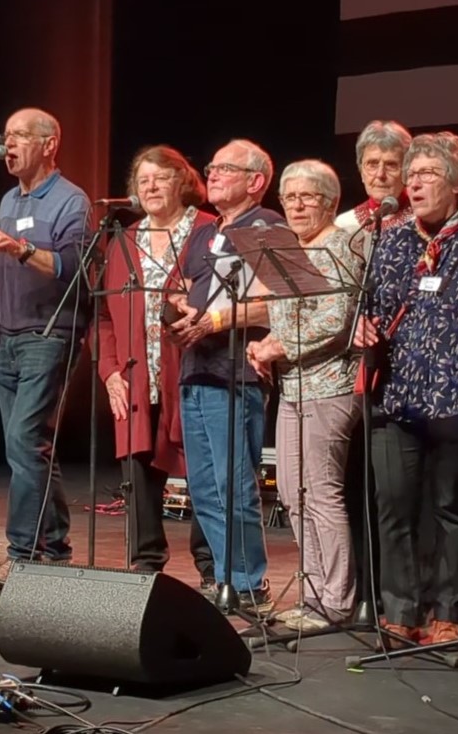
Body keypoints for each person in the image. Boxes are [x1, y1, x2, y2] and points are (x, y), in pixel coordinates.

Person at [358, 131, 458, 645]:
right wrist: (365, 326)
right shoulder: (392, 240)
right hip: (398, 396)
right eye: (411, 175)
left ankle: (449, 608)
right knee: (394, 504)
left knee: (453, 508)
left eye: (428, 174)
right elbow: (376, 309)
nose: (415, 183)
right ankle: (401, 608)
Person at [0, 107, 89, 588]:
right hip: (9, 336)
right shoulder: (7, 201)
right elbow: (4, 265)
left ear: (49, 143)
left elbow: (72, 267)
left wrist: (21, 250)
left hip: (50, 335)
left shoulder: (70, 201)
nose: (7, 145)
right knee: (32, 449)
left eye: (18, 136)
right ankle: (54, 548)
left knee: (23, 441)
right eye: (5, 135)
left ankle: (22, 553)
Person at [246, 159, 364, 630]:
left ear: (330, 202)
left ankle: (335, 600)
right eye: (289, 196)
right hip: (294, 384)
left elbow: (336, 321)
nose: (295, 204)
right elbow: (289, 319)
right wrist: (265, 345)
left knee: (321, 494)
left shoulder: (340, 247)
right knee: (293, 494)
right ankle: (314, 593)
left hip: (330, 385)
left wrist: (277, 346)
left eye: (307, 196)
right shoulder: (290, 250)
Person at [168, 138, 283, 612]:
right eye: (211, 166)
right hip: (196, 368)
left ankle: (249, 584)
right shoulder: (204, 231)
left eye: (225, 169)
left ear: (255, 182)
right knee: (203, 488)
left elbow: (279, 300)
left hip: (237, 372)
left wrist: (213, 320)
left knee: (233, 483)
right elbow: (182, 286)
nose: (211, 174)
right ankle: (224, 580)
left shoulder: (266, 225)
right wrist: (179, 306)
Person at [96, 144, 215, 585]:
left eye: (160, 178)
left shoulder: (207, 231)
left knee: (203, 470)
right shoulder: (124, 240)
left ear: (182, 181)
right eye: (142, 180)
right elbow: (104, 315)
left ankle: (211, 566)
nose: (149, 186)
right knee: (137, 468)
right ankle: (145, 564)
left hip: (193, 373)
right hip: (133, 374)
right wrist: (109, 373)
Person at [335, 120, 414, 234]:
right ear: (361, 171)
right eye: (372, 164)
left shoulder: (422, 221)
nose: (380, 174)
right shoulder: (344, 224)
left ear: (407, 170)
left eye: (391, 165)